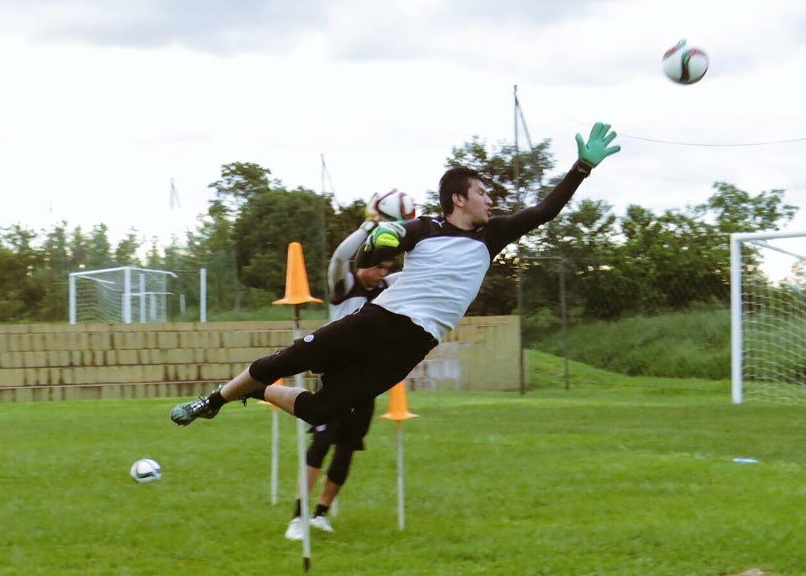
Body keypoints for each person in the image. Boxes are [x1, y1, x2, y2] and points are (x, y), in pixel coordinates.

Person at [170, 121, 620, 476]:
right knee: (285, 360)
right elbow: (367, 260)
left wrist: (582, 167)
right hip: (380, 320)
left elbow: (544, 211)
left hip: (414, 344)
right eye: (482, 192)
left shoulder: (493, 235)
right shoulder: (423, 228)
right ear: (458, 199)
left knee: (323, 408)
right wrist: (378, 241)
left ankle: (258, 391)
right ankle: (213, 402)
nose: (490, 199)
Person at [284, 215, 401, 541]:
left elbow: (416, 273)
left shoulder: (386, 288)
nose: (382, 273)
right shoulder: (344, 284)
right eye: (378, 266)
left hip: (367, 380)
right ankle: (297, 518)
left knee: (347, 447)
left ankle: (320, 514)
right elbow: (338, 257)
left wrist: (405, 232)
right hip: (335, 376)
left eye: (387, 267)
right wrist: (368, 227)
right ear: (364, 262)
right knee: (321, 443)